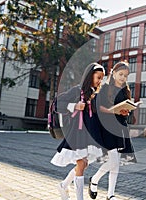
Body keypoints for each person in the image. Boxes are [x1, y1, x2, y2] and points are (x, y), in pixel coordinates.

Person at [50, 63, 105, 200]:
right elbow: (57, 103)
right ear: (89, 76)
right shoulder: (77, 91)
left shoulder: (95, 95)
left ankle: (63, 185)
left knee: (84, 164)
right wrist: (74, 105)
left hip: (89, 136)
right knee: (81, 164)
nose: (100, 81)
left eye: (102, 78)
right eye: (98, 77)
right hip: (77, 134)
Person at [88, 61, 136, 200]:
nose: (123, 78)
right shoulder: (104, 88)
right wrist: (112, 111)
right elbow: (98, 107)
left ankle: (110, 195)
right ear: (113, 73)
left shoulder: (125, 90)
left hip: (120, 127)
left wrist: (126, 112)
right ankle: (95, 180)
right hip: (107, 127)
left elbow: (126, 109)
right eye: (120, 74)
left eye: (125, 76)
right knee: (114, 161)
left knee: (116, 162)